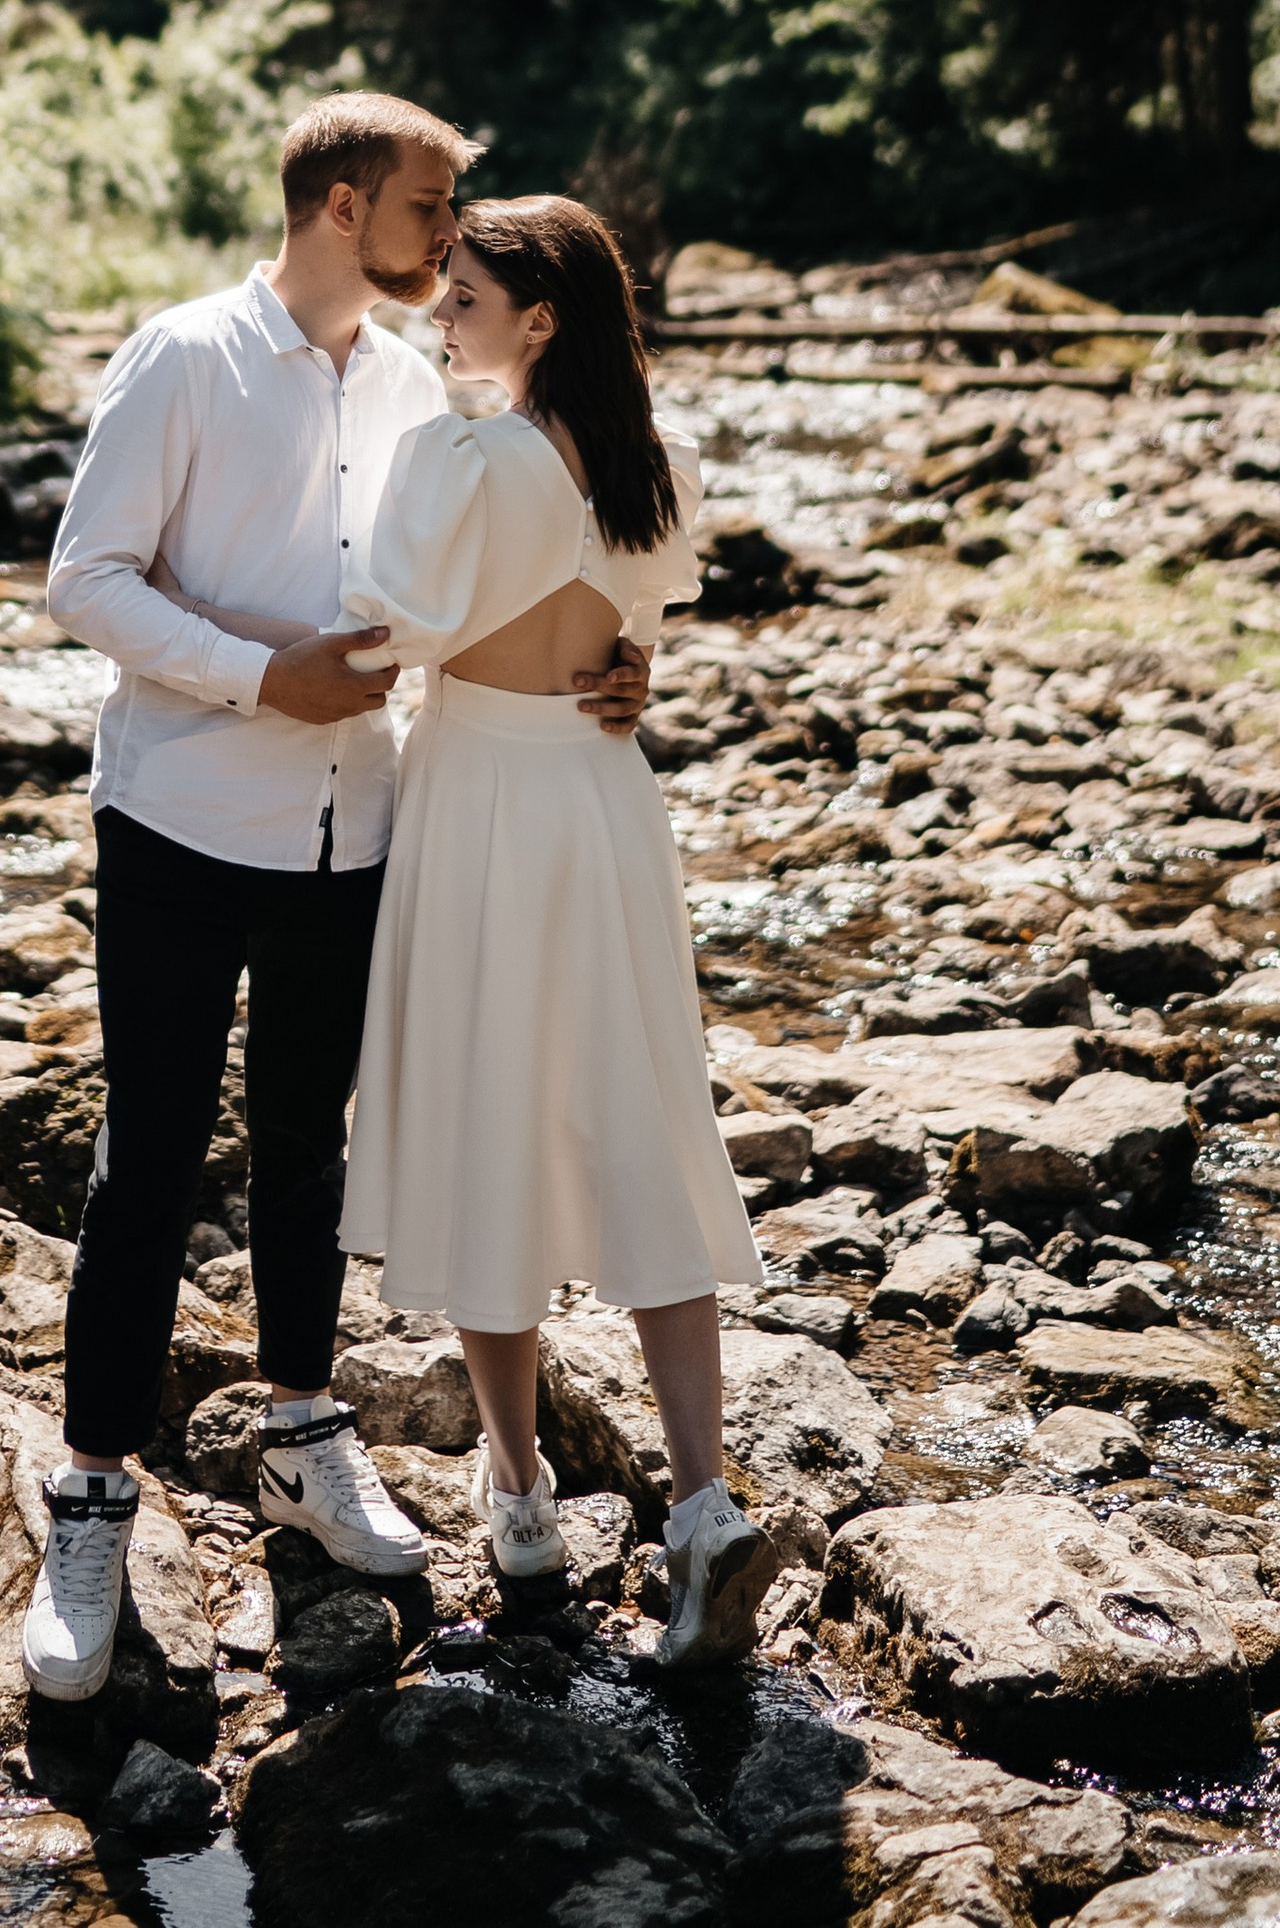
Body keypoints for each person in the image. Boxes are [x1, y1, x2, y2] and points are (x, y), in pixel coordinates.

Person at [21, 100, 655, 1704]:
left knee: (309, 1148)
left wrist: (617, 662)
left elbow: (509, 575)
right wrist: (259, 678)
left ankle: (304, 1436)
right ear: (344, 205)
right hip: (180, 815)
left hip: (355, 829)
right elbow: (85, 578)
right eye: (431, 206)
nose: (452, 235)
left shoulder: (420, 385)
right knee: (151, 1155)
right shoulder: (184, 355)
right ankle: (90, 1500)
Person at [335, 195, 773, 1667]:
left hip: (480, 798)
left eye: (464, 297)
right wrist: (628, 668)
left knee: (488, 1123)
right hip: (602, 802)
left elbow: (386, 627)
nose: (439, 316)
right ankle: (701, 1504)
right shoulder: (655, 461)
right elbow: (629, 640)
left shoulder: (465, 458)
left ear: (541, 319)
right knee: (642, 1115)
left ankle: (520, 1499)